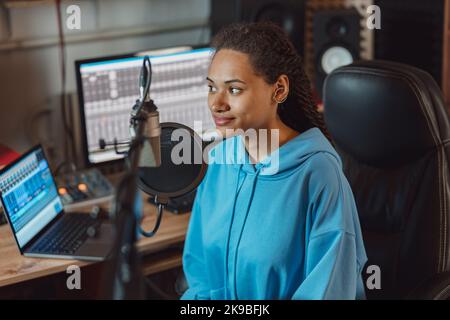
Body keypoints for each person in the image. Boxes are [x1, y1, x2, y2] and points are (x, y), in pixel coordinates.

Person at [181, 22, 367, 300]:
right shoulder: (218, 162)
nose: (216, 103)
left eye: (234, 90)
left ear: (278, 89)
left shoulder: (318, 174)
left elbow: (328, 292)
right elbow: (201, 277)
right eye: (211, 88)